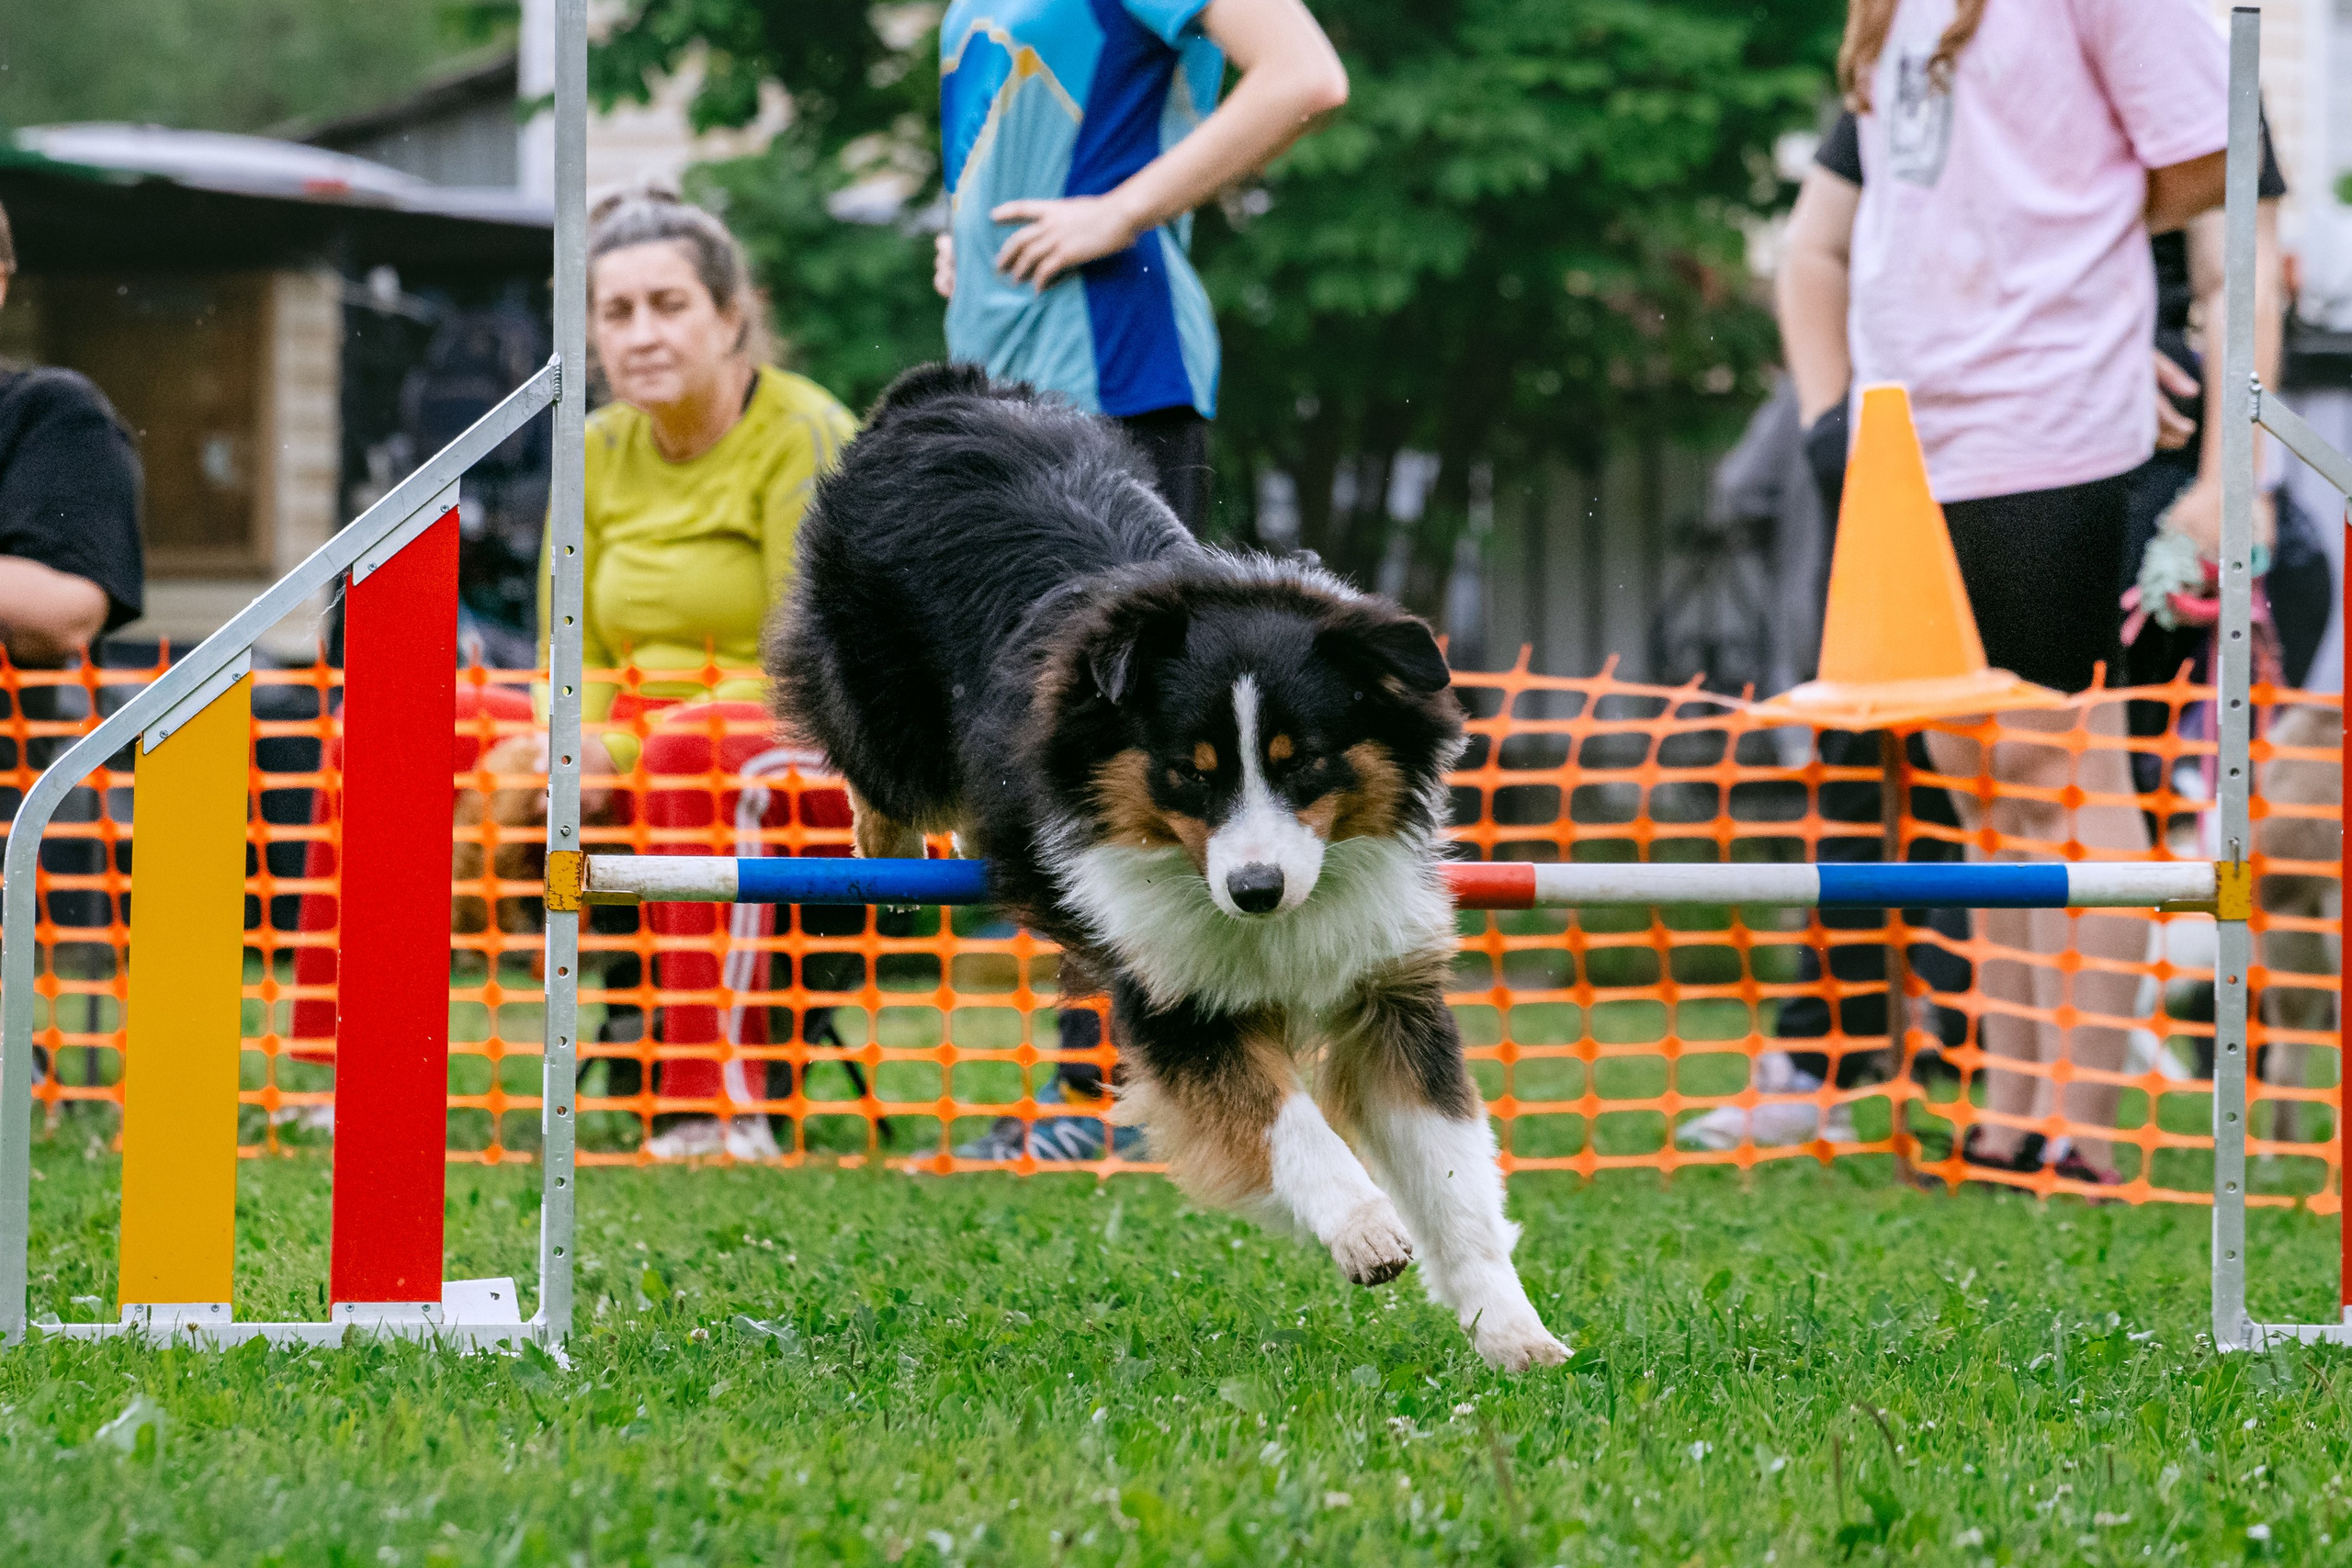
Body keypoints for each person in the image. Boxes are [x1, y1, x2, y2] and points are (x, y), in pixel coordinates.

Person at [1773, 0, 2233, 1188]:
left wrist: (2066, 242)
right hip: (1907, 436)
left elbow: (2216, 153)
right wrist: (1834, 417)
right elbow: (1823, 242)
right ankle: (2010, 1113)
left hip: (2047, 428)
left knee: (2062, 767)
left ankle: (2079, 1124)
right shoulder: (1895, 13)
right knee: (1979, 784)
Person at [933, 0, 1348, 1161]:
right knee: (1034, 739)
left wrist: (1120, 211)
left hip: (1113, 373)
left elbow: (1304, 77)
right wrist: (954, 229)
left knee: (1105, 727)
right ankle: (1098, 1082)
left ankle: (1106, 1086)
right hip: (995, 390)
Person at [530, 187, 858, 1161]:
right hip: (630, 730)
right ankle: (340, 1076)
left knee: (684, 753)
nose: (640, 335)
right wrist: (571, 740)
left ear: (729, 316)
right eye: (616, 312)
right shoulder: (589, 449)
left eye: (668, 306)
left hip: (797, 740)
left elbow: (805, 661)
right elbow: (572, 641)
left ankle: (717, 1106)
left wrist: (622, 746)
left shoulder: (802, 433)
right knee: (409, 725)